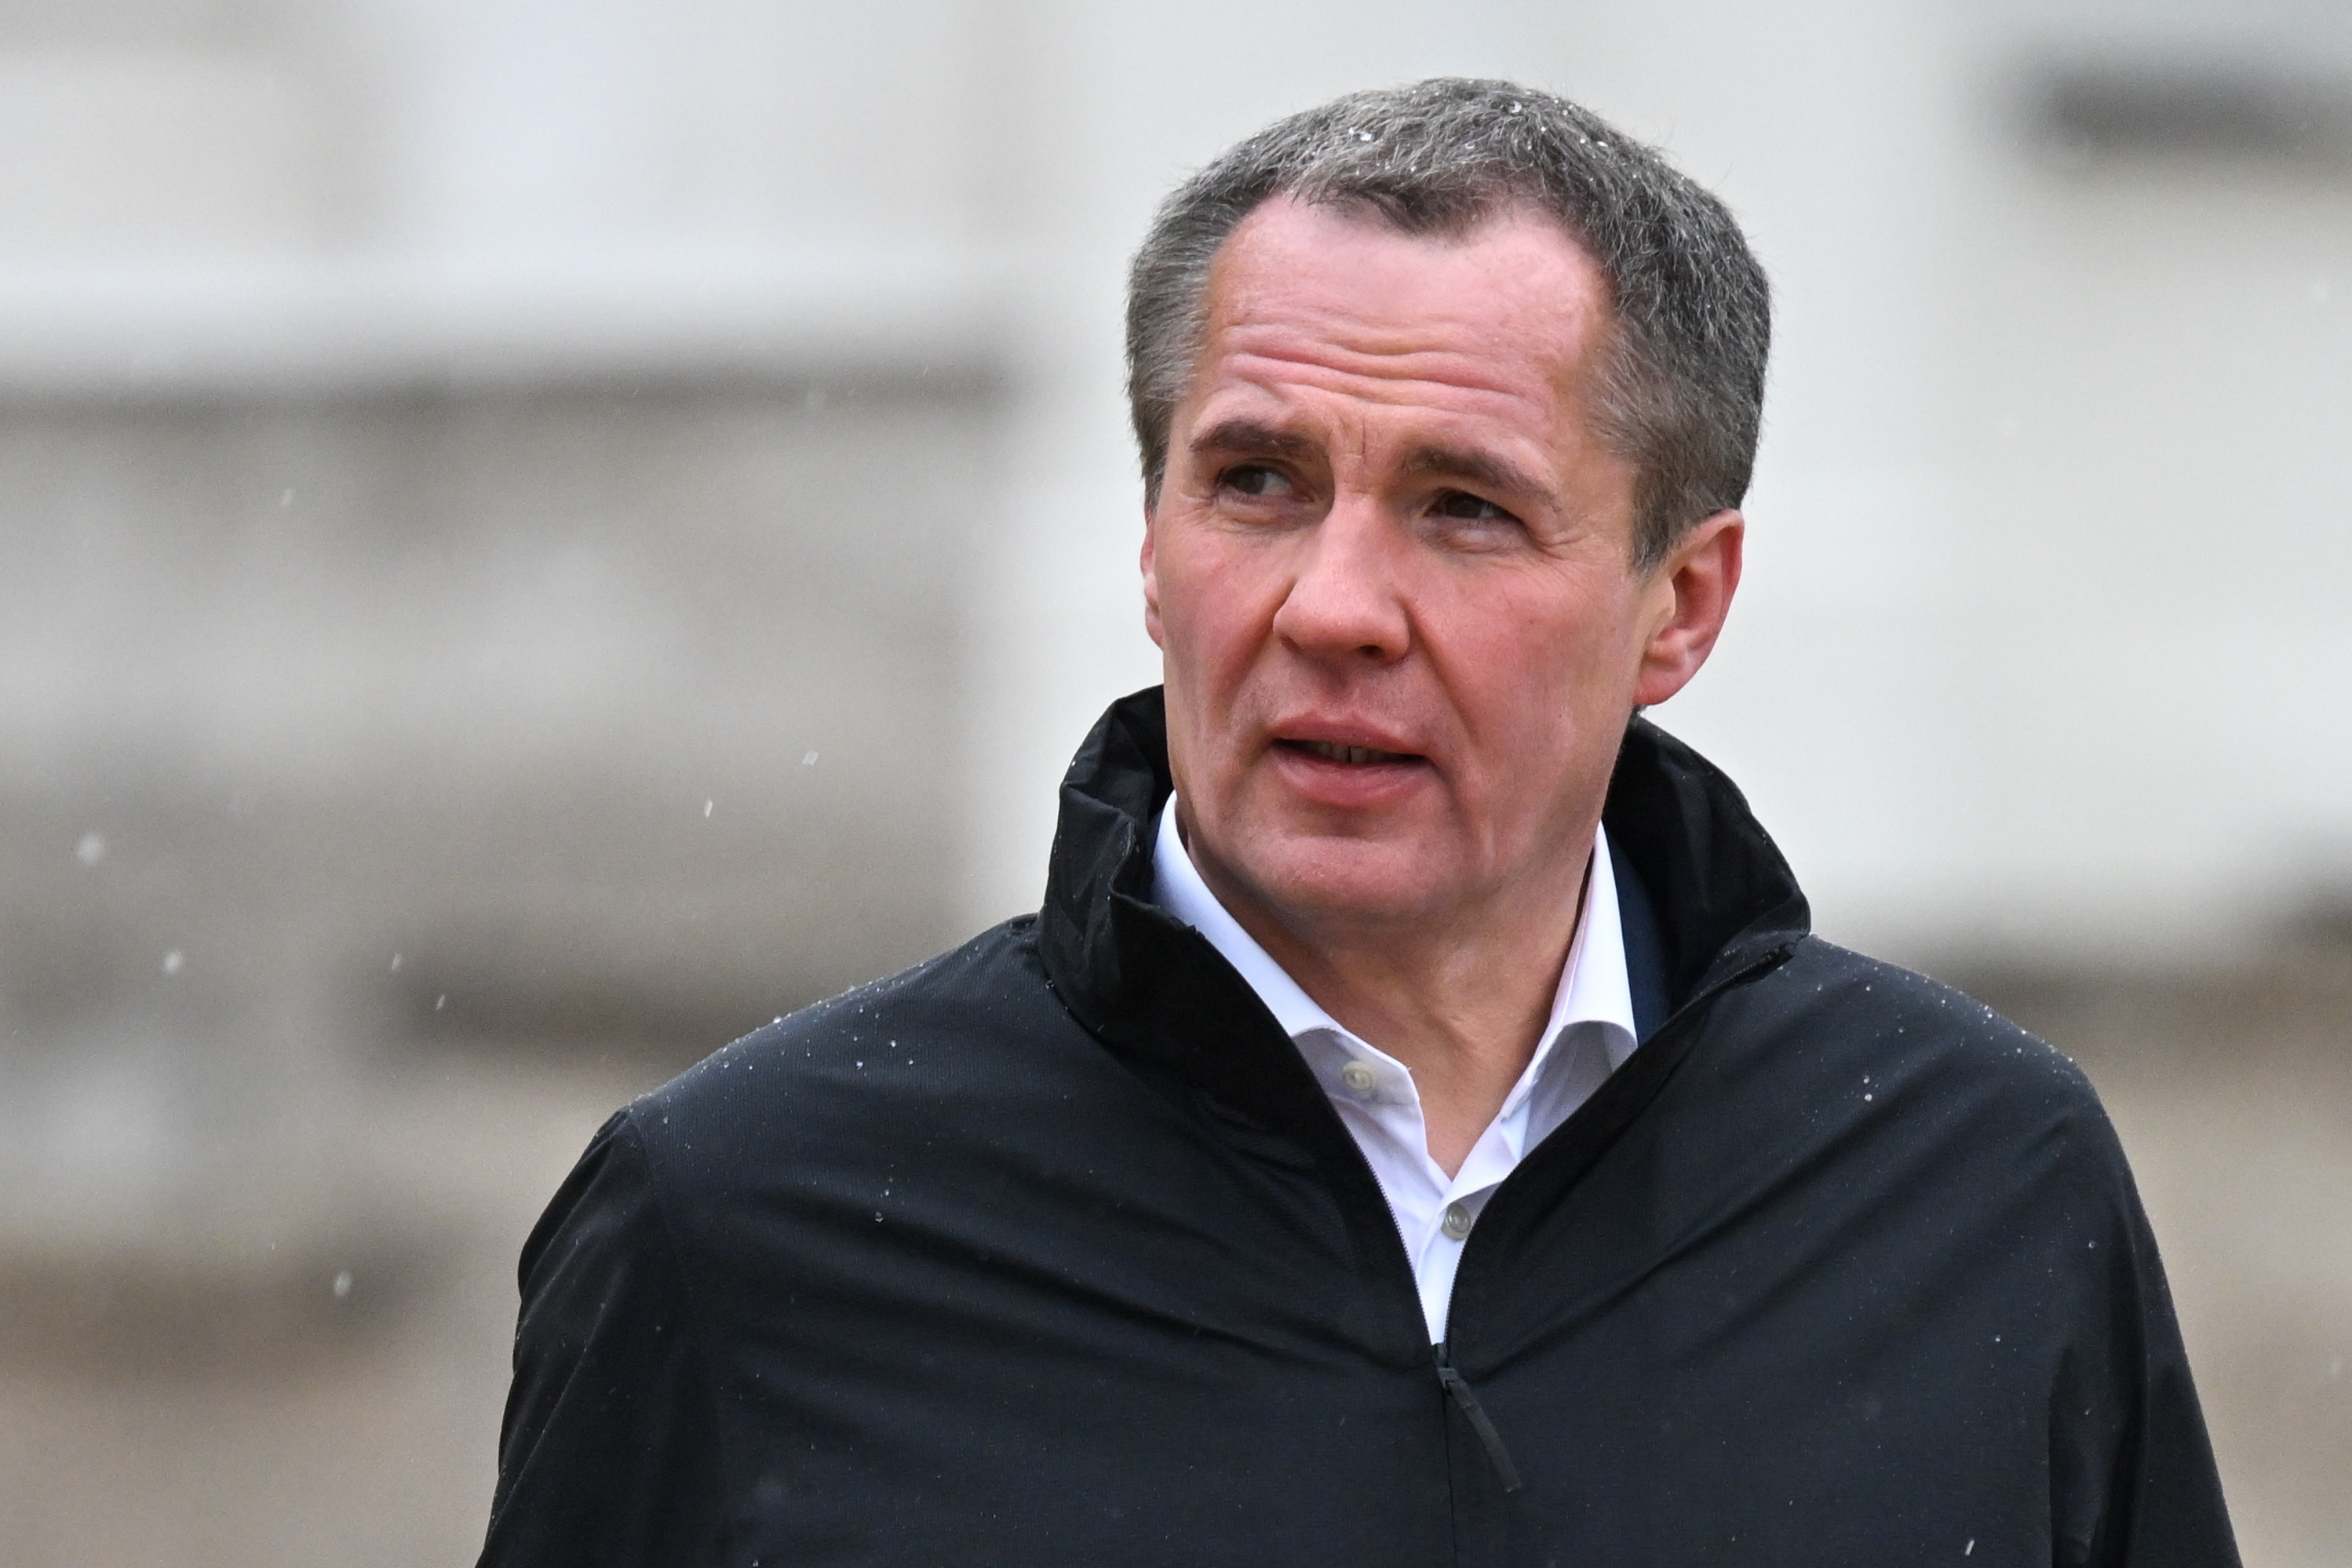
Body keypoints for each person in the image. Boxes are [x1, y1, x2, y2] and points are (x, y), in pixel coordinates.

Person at [477, 78, 2238, 1566]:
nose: (1331, 606)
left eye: (1463, 508)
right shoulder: (745, 1229)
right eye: (1256, 480)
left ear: (1680, 606)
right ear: (1150, 547)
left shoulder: (1977, 1191)